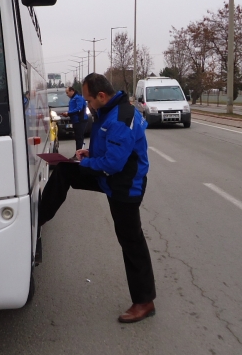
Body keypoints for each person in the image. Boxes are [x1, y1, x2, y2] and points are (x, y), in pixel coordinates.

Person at [39, 73, 156, 323]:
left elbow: (113, 163)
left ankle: (144, 301)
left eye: (88, 99)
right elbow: (108, 148)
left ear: (101, 96)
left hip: (125, 185)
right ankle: (37, 219)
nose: (87, 104)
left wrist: (90, 161)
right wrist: (87, 152)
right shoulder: (107, 112)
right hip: (109, 177)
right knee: (65, 170)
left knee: (131, 240)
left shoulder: (122, 117)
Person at [62, 86, 88, 153]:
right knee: (77, 138)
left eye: (67, 92)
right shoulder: (73, 98)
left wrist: (68, 113)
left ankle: (80, 154)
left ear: (72, 91)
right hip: (75, 121)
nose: (67, 94)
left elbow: (79, 109)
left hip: (80, 120)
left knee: (79, 138)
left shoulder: (78, 98)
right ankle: (78, 152)